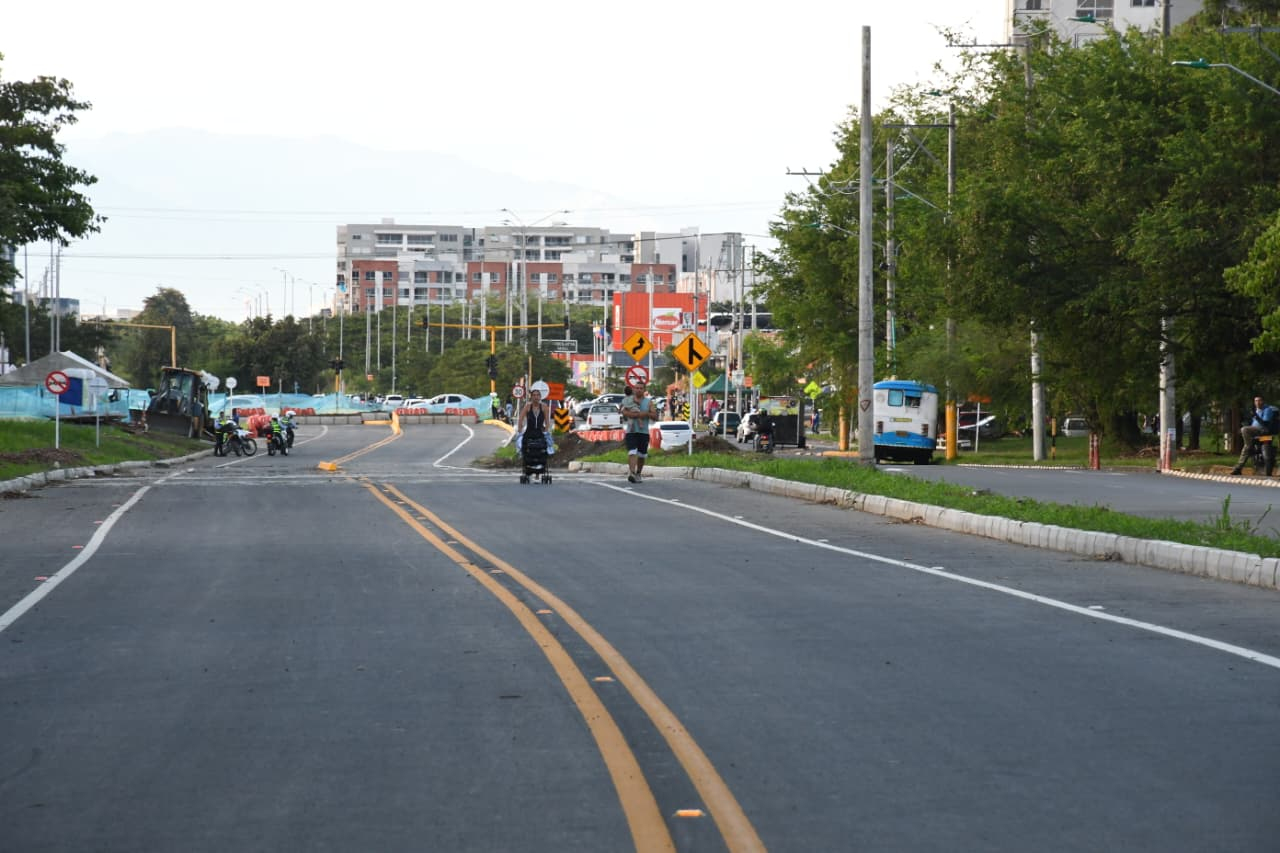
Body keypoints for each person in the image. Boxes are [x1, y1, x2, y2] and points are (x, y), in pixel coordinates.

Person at [619, 383, 658, 483]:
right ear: (633, 389)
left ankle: (638, 473)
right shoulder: (629, 400)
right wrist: (636, 415)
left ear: (644, 390)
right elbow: (624, 412)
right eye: (637, 388)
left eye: (641, 388)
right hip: (631, 431)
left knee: (641, 454)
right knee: (632, 451)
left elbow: (655, 416)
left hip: (643, 432)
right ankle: (632, 473)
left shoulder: (648, 402)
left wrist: (646, 414)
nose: (639, 390)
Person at [1231, 395, 1279, 475]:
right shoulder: (1257, 410)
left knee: (1245, 431)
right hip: (1255, 432)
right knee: (1245, 445)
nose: (1257, 402)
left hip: (1263, 431)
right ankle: (1238, 468)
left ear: (1263, 401)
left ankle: (1249, 446)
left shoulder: (1267, 410)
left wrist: (1256, 416)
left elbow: (1265, 424)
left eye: (1259, 400)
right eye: (1256, 401)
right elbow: (1253, 423)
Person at [515, 388, 554, 457]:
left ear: (540, 397)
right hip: (529, 431)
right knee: (520, 443)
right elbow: (520, 418)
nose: (536, 397)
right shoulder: (527, 407)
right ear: (531, 397)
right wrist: (520, 429)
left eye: (538, 395)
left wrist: (546, 431)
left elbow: (547, 422)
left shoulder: (544, 407)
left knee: (549, 444)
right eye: (534, 395)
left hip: (540, 432)